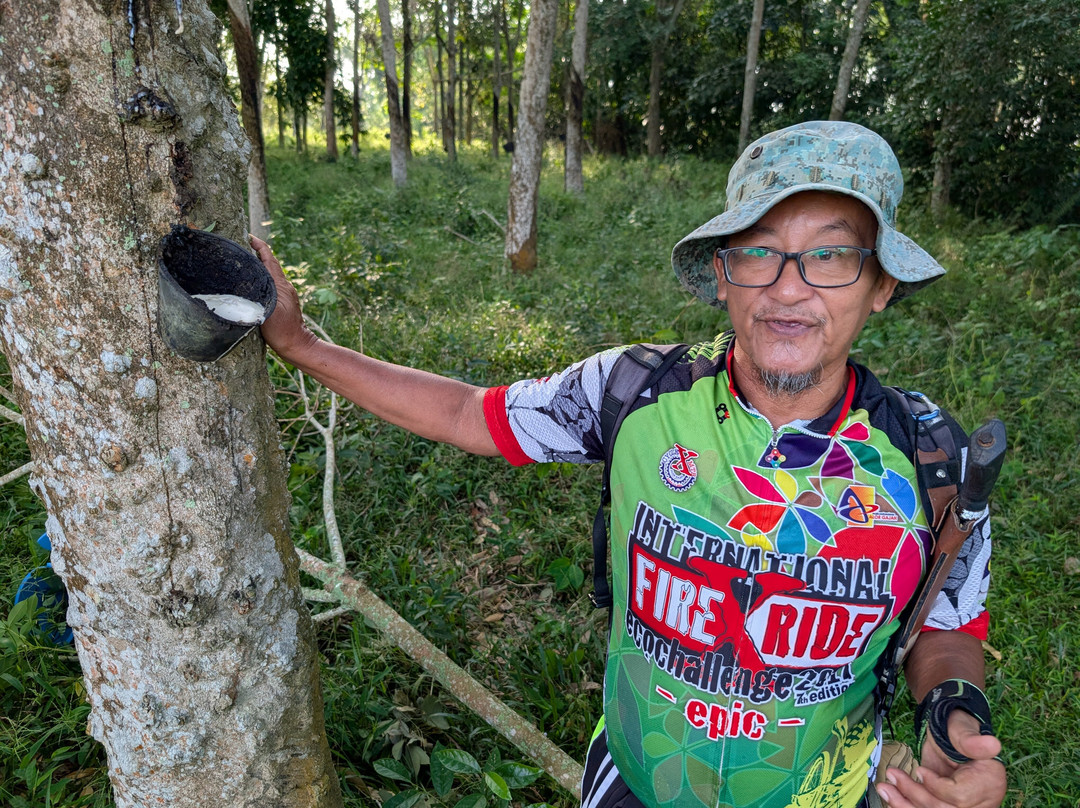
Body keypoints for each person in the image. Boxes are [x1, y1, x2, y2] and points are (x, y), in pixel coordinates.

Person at [253, 120, 1007, 808]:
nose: (788, 287)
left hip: (825, 793)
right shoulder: (634, 393)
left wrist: (952, 714)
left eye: (831, 255)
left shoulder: (929, 456)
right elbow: (465, 414)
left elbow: (946, 626)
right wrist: (304, 348)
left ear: (881, 285)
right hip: (634, 780)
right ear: (721, 273)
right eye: (758, 250)